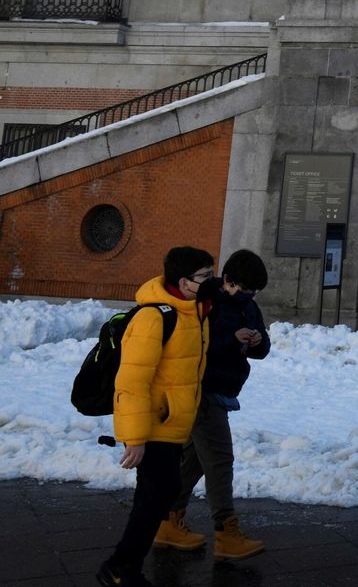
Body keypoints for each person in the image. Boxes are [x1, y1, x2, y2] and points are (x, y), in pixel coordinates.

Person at [97, 246, 215, 587]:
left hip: (172, 423)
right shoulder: (154, 318)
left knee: (156, 495)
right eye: (205, 276)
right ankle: (120, 568)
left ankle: (124, 567)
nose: (211, 281)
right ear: (184, 282)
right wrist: (134, 438)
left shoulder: (195, 312)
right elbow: (131, 381)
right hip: (154, 424)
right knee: (159, 494)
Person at [157, 250, 271, 561]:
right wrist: (232, 340)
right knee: (220, 460)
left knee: (195, 460)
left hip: (223, 390)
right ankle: (225, 533)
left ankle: (167, 522)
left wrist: (257, 341)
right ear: (228, 280)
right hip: (200, 390)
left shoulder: (249, 306)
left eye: (254, 292)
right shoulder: (205, 301)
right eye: (244, 289)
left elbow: (262, 349)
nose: (249, 296)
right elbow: (194, 346)